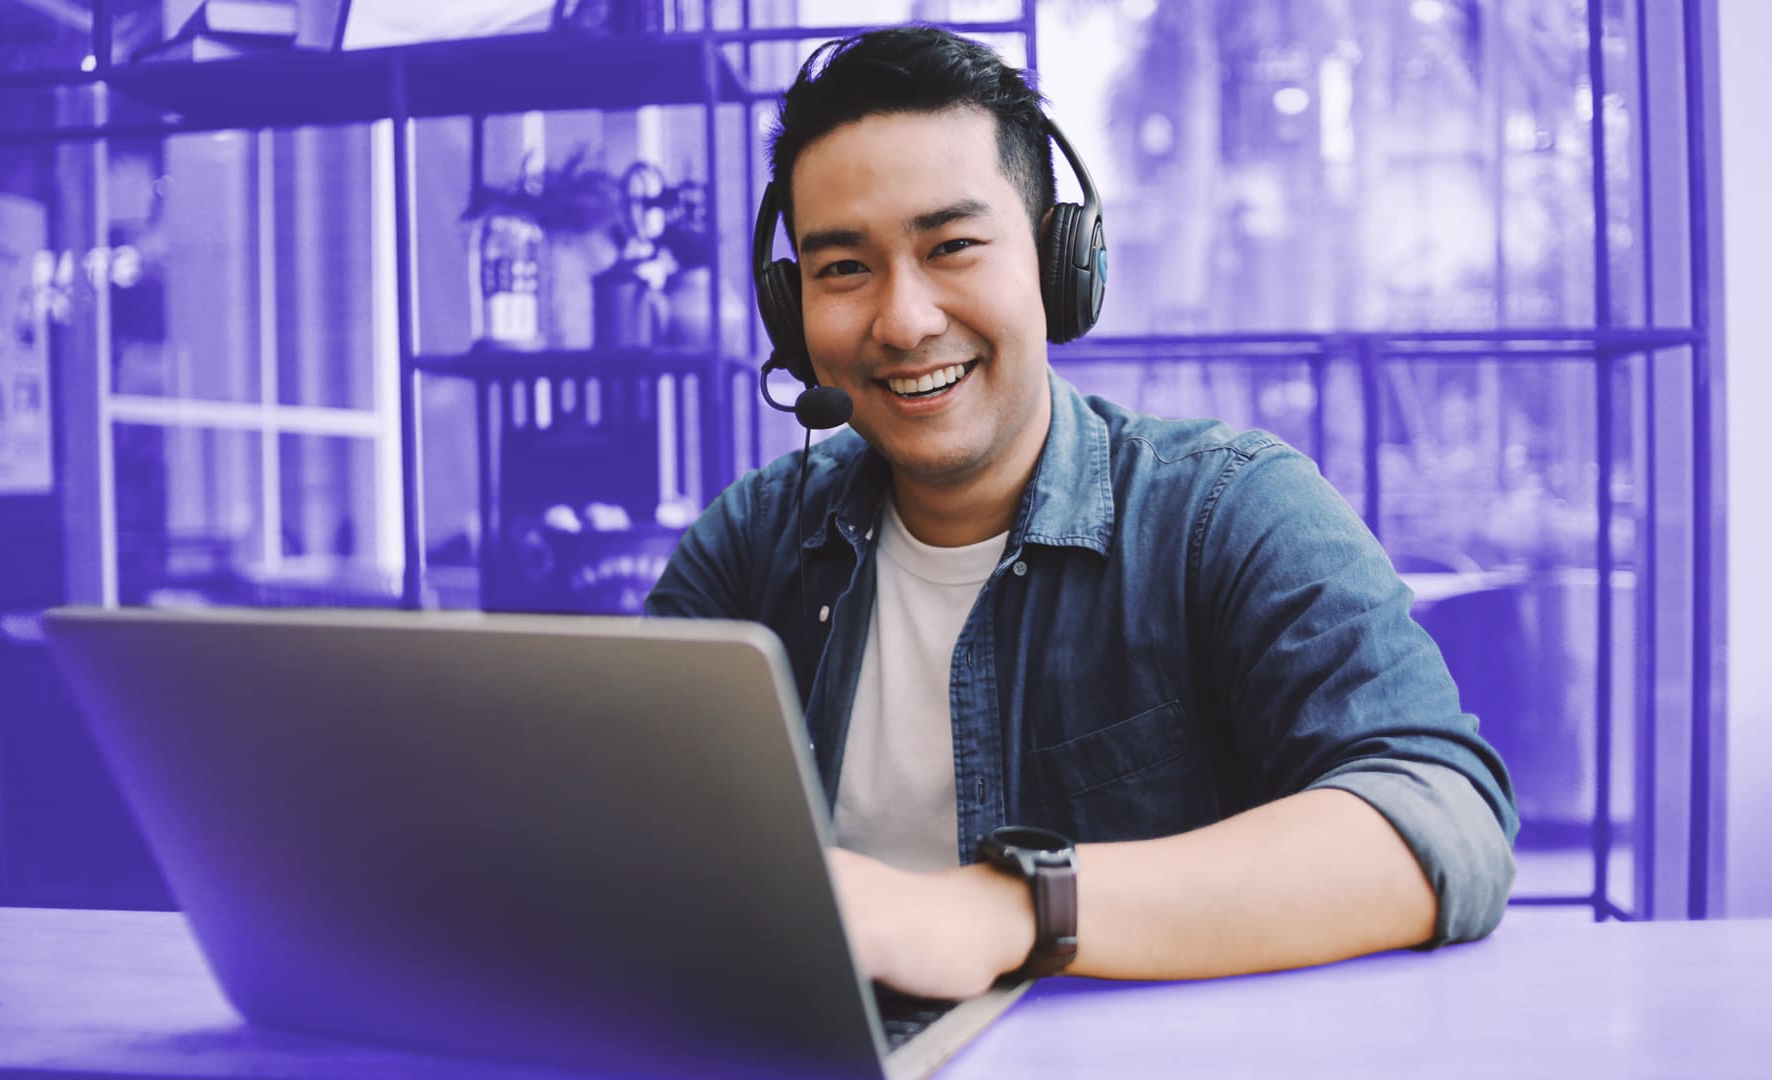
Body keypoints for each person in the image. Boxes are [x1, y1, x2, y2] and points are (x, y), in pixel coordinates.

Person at [646, 25, 1517, 1002]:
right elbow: (622, 833)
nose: (903, 321)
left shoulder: (1228, 511)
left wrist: (1007, 908)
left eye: (954, 246)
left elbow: (1437, 815)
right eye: (843, 268)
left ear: (1060, 264)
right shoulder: (754, 543)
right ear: (789, 310)